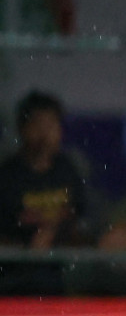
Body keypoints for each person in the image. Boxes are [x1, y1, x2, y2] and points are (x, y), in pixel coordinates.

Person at [0, 91, 94, 295]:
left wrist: (56, 234)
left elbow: (79, 220)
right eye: (38, 125)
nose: (45, 134)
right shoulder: (7, 176)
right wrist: (24, 247)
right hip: (15, 279)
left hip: (62, 275)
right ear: (22, 128)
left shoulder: (67, 170)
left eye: (51, 125)